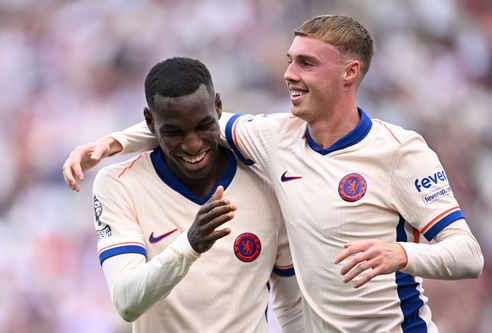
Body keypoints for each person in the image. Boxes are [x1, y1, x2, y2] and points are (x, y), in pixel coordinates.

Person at [63, 15, 484, 332]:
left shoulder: (399, 151)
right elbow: (195, 121)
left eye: (306, 63)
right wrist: (113, 143)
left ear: (349, 73)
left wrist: (402, 255)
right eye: (289, 61)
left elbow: (469, 255)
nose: (288, 74)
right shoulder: (274, 139)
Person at [84, 57, 303, 333]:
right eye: (175, 133)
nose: (193, 145)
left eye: (203, 126)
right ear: (150, 123)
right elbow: (127, 302)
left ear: (219, 108)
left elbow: (293, 306)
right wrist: (189, 246)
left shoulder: (265, 180)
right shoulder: (119, 184)